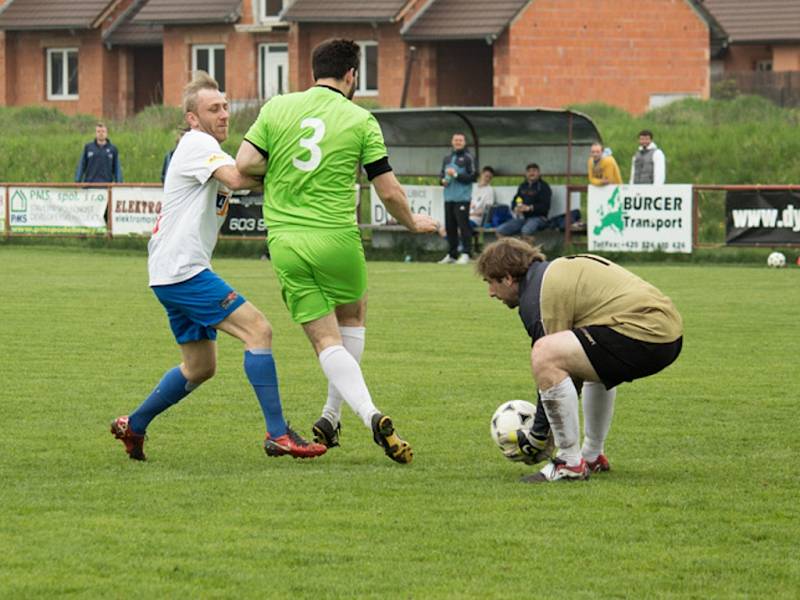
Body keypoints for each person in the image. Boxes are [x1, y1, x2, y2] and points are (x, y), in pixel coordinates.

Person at [235, 39, 438, 464]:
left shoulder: (277, 108)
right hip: (339, 239)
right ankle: (336, 415)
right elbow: (387, 189)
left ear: (313, 72)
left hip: (288, 241)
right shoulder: (361, 120)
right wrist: (412, 222)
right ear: (351, 77)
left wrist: (276, 172)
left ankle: (357, 415)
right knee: (352, 321)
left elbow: (245, 163)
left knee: (326, 341)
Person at [110, 72, 326, 461]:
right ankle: (278, 434)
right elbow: (239, 178)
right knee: (259, 330)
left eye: (226, 106)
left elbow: (253, 181)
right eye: (214, 108)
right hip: (184, 270)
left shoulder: (208, 148)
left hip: (171, 272)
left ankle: (134, 424)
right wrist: (291, 161)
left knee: (199, 367)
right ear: (192, 118)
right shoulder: (196, 143)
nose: (224, 114)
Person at [477, 238, 683, 483]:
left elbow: (549, 367)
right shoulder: (552, 273)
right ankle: (592, 455)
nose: (491, 292)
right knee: (583, 358)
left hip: (646, 333)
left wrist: (538, 436)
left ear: (508, 278)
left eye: (490, 282)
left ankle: (568, 463)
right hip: (668, 334)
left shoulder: (537, 295)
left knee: (545, 353)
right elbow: (569, 372)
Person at [438, 132, 476, 265]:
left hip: (462, 198)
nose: (458, 142)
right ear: (452, 142)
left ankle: (466, 253)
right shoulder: (447, 158)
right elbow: (441, 176)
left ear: (464, 142)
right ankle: (452, 254)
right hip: (449, 197)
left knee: (463, 226)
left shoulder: (468, 158)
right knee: (450, 227)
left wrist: (455, 174)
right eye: (456, 140)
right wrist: (443, 181)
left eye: (460, 140)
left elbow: (472, 177)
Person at [496, 163, 551, 239]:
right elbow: (515, 200)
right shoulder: (522, 186)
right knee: (500, 230)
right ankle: (509, 250)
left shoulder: (544, 186)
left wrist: (529, 208)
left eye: (534, 171)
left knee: (526, 231)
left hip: (539, 218)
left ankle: (528, 251)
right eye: (529, 171)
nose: (531, 173)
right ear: (526, 173)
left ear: (539, 173)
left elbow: (545, 206)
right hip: (523, 218)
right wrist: (515, 208)